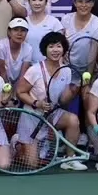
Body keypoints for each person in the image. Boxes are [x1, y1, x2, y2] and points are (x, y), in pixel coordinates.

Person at [17, 31, 84, 168]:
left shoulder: (66, 71)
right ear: (45, 50)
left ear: (63, 49)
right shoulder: (35, 70)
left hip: (52, 114)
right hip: (32, 116)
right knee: (32, 164)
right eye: (51, 46)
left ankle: (69, 159)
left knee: (73, 120)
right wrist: (37, 103)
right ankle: (16, 144)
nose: (55, 50)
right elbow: (20, 92)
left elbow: (63, 101)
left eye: (59, 46)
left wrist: (74, 90)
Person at [0, 17, 39, 84]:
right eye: (15, 30)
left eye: (23, 30)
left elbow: (23, 75)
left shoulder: (28, 49)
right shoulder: (1, 46)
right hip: (1, 82)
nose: (19, 33)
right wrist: (8, 88)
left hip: (19, 83)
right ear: (9, 32)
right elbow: (2, 72)